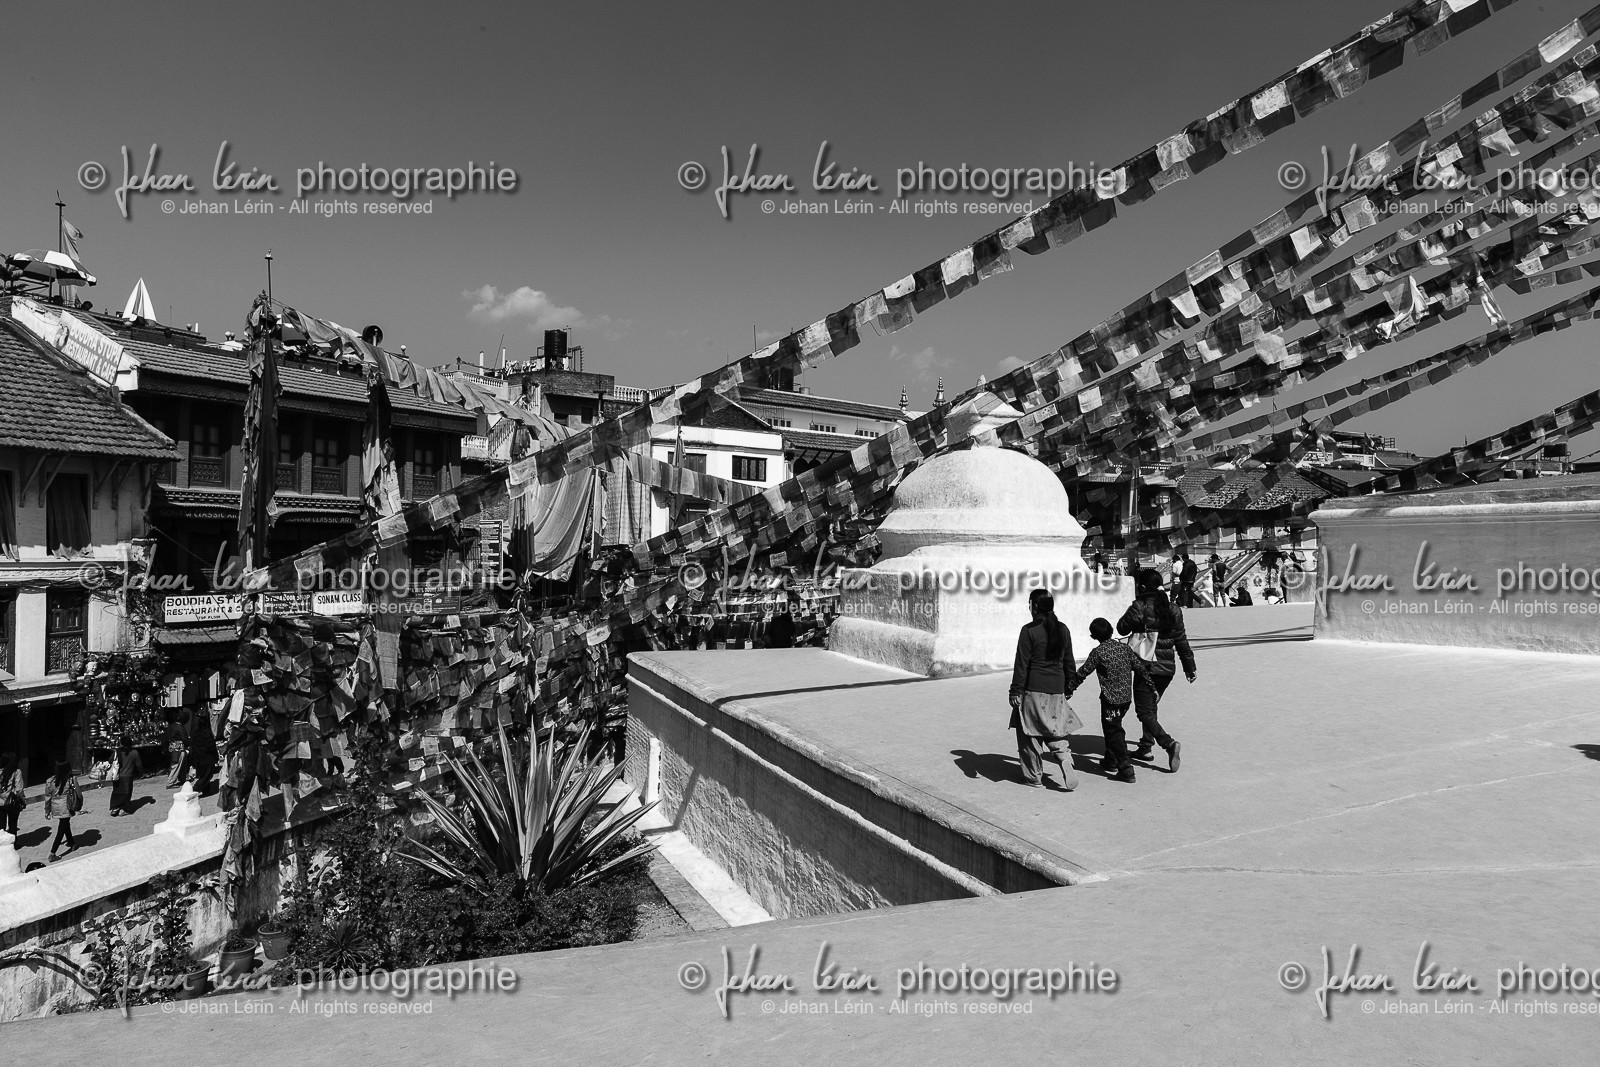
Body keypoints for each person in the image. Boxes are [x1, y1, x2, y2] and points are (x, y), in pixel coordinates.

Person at [1117, 569, 1197, 773]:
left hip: (1146, 666)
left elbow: (1121, 628)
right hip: (1167, 669)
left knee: (1144, 711)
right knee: (1151, 707)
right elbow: (1181, 640)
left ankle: (1168, 743)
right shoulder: (1174, 609)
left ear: (1142, 588)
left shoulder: (1140, 606)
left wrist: (1136, 615)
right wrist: (1190, 667)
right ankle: (1145, 746)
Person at [1007, 589, 1080, 791]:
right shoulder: (1063, 629)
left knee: (1029, 734)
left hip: (1033, 689)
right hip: (1056, 689)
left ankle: (1034, 777)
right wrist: (1069, 686)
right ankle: (1065, 759)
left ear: (1035, 606)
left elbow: (1021, 664)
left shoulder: (1029, 630)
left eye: (1030, 603)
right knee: (1054, 730)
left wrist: (1015, 691)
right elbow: (1069, 661)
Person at [1069, 618, 1153, 783]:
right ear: (1111, 631)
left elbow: (1083, 672)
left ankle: (1126, 769)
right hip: (1125, 700)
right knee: (1113, 727)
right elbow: (1140, 668)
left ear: (1093, 636)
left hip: (1111, 701)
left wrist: (1069, 688)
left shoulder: (1098, 652)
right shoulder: (1124, 648)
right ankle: (1110, 760)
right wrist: (1151, 686)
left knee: (1114, 732)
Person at [43, 760, 82, 862]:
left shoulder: (50, 781)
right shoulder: (71, 780)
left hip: (55, 807)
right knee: (61, 829)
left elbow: (47, 797)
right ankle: (53, 852)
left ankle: (71, 842)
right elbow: (79, 794)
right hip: (67, 806)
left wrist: (47, 811)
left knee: (65, 824)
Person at [107, 734, 144, 816]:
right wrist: (141, 773)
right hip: (128, 776)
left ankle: (115, 808)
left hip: (117, 775)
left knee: (116, 792)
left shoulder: (117, 752)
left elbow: (110, 761)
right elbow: (139, 765)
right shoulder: (134, 752)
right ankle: (123, 809)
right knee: (126, 793)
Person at [0, 751, 24, 843]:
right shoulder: (17, 772)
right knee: (13, 825)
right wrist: (22, 799)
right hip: (12, 802)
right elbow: (19, 789)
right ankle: (13, 844)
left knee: (1, 826)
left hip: (0, 803)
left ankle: (1, 844)